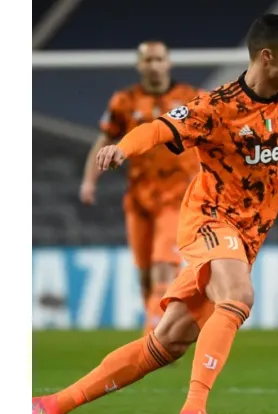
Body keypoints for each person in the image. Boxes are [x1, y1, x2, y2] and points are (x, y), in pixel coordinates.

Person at [34, 14, 278, 414]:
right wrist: (123, 147)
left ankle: (51, 405)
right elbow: (159, 128)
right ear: (266, 55)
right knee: (238, 296)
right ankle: (194, 409)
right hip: (209, 219)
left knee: (168, 341)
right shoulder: (216, 108)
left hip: (249, 235)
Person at [79, 40, 201, 335]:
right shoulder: (124, 101)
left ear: (168, 62)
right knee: (145, 275)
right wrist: (89, 180)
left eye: (159, 59)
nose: (154, 65)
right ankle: (160, 330)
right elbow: (104, 140)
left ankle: (155, 338)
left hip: (177, 195)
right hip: (139, 198)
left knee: (164, 266)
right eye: (148, 60)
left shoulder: (191, 98)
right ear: (140, 65)